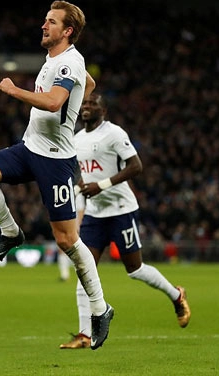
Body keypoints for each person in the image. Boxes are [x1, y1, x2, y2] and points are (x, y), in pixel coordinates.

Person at [0, 0, 114, 350]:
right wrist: (79, 98)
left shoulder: (70, 62)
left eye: (51, 22)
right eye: (45, 20)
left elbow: (52, 103)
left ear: (68, 31)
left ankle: (100, 308)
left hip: (56, 161)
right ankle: (10, 232)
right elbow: (88, 84)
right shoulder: (60, 61)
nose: (43, 26)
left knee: (66, 241)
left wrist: (14, 89)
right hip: (29, 148)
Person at [59, 92, 191, 349]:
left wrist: (103, 185)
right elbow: (84, 181)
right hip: (95, 215)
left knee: (135, 270)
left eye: (92, 104)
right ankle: (85, 335)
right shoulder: (76, 140)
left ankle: (176, 295)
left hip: (121, 210)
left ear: (103, 110)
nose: (86, 107)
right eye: (84, 103)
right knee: (84, 270)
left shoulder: (115, 134)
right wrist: (81, 207)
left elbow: (136, 166)